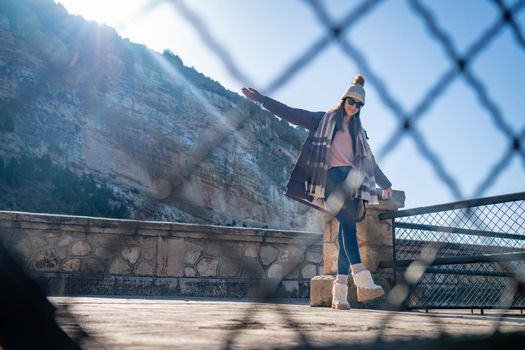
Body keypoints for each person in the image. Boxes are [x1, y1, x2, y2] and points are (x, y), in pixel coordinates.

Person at [242, 74, 394, 310]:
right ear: (344, 99)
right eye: (352, 102)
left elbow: (370, 163)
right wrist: (262, 100)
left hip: (351, 182)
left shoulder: (359, 134)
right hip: (330, 179)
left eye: (359, 105)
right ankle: (363, 280)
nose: (354, 107)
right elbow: (290, 113)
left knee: (346, 234)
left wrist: (386, 184)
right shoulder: (322, 120)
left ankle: (339, 295)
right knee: (348, 224)